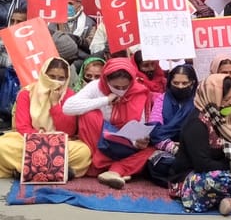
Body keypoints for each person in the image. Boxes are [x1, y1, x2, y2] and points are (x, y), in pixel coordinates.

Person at [63, 57, 155, 189]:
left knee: (151, 151)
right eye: (116, 87)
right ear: (106, 80)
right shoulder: (96, 86)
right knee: (89, 114)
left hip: (124, 146)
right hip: (99, 142)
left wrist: (139, 143)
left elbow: (139, 127)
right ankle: (111, 168)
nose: (121, 90)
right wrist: (105, 100)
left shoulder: (138, 92)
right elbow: (68, 107)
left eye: (125, 87)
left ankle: (114, 171)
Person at [171, 74, 231, 214]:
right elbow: (202, 164)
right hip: (192, 177)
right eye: (226, 99)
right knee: (225, 180)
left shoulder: (217, 117)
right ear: (214, 98)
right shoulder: (197, 124)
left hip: (220, 167)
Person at [0, 57, 92, 179]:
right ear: (44, 75)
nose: (56, 82)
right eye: (52, 76)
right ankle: (56, 169)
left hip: (60, 142)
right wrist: (40, 138)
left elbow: (69, 131)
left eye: (61, 78)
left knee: (83, 152)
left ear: (66, 79)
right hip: (29, 140)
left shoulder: (69, 96)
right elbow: (22, 126)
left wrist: (55, 104)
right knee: (2, 146)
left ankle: (26, 169)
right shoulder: (27, 93)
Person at [149, 64, 198, 152]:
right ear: (169, 82)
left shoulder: (198, 101)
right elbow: (154, 130)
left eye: (184, 83)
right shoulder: (161, 100)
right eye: (175, 83)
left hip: (194, 147)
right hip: (166, 146)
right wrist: (172, 147)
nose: (180, 87)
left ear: (192, 83)